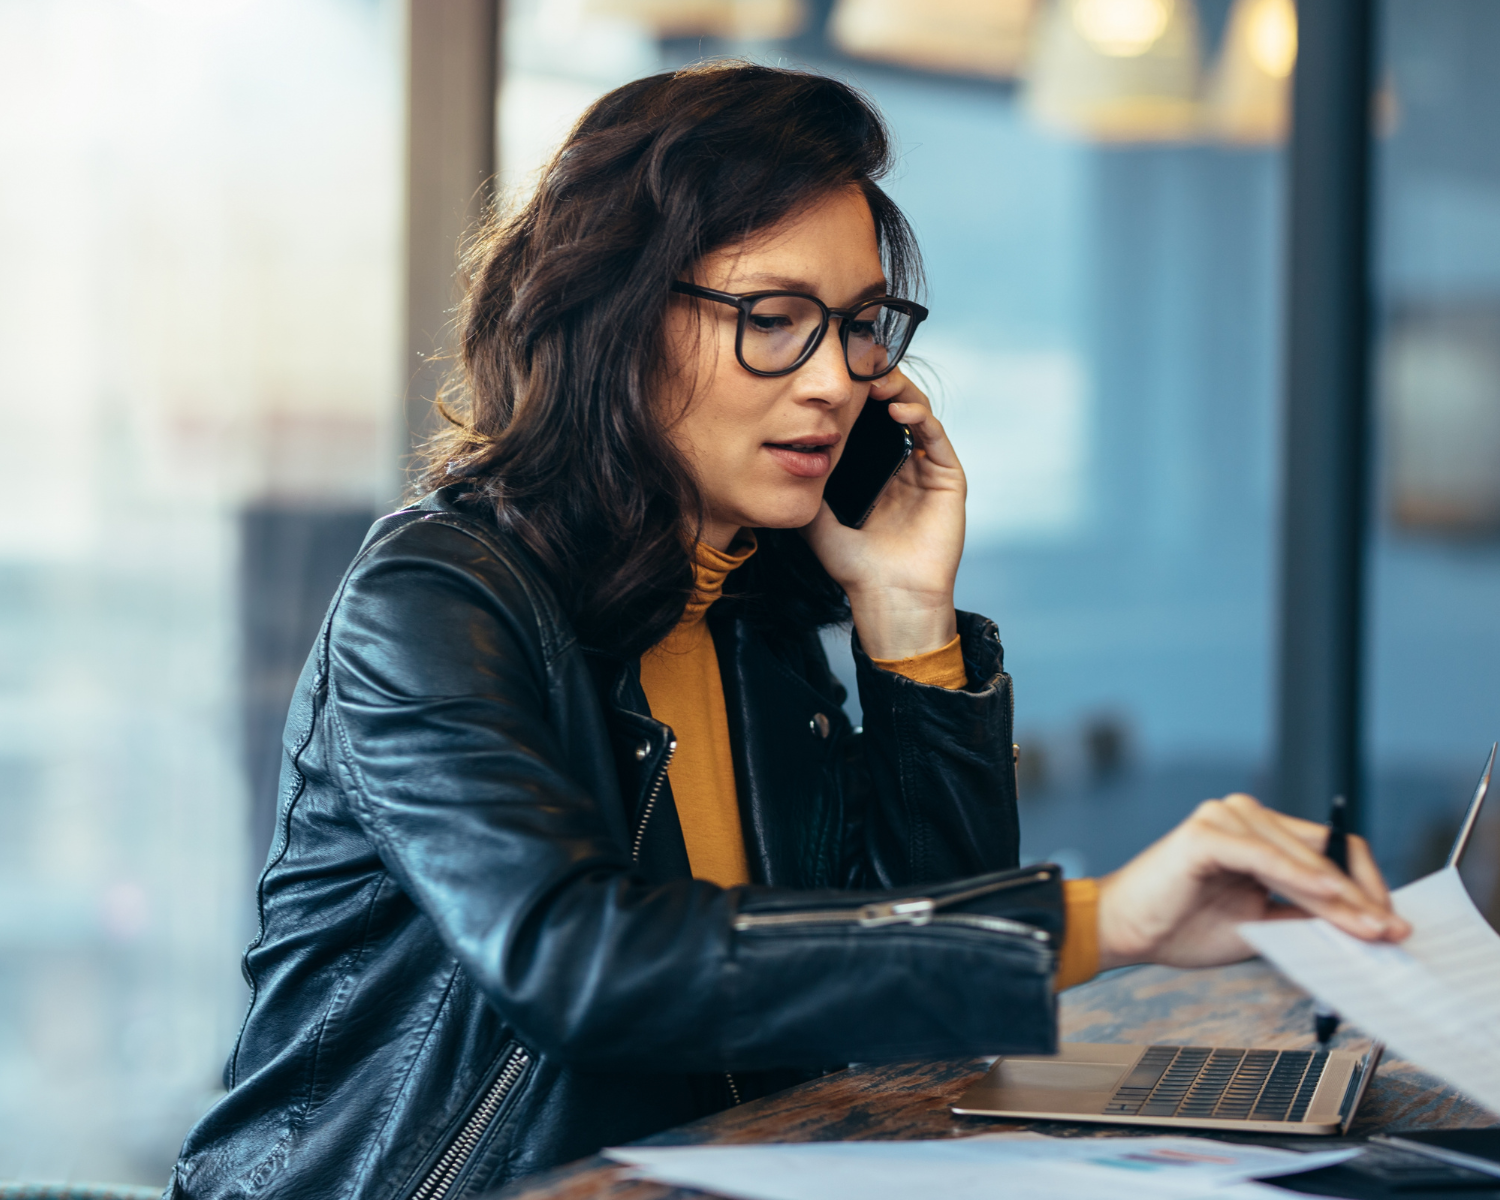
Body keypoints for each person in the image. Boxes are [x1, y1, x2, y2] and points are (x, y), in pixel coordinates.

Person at [168, 63, 1407, 1199]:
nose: (834, 379)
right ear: (618, 316)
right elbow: (581, 961)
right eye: (773, 317)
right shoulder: (437, 597)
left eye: (862, 323)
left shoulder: (752, 615)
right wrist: (1099, 920)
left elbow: (921, 1010)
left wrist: (908, 619)